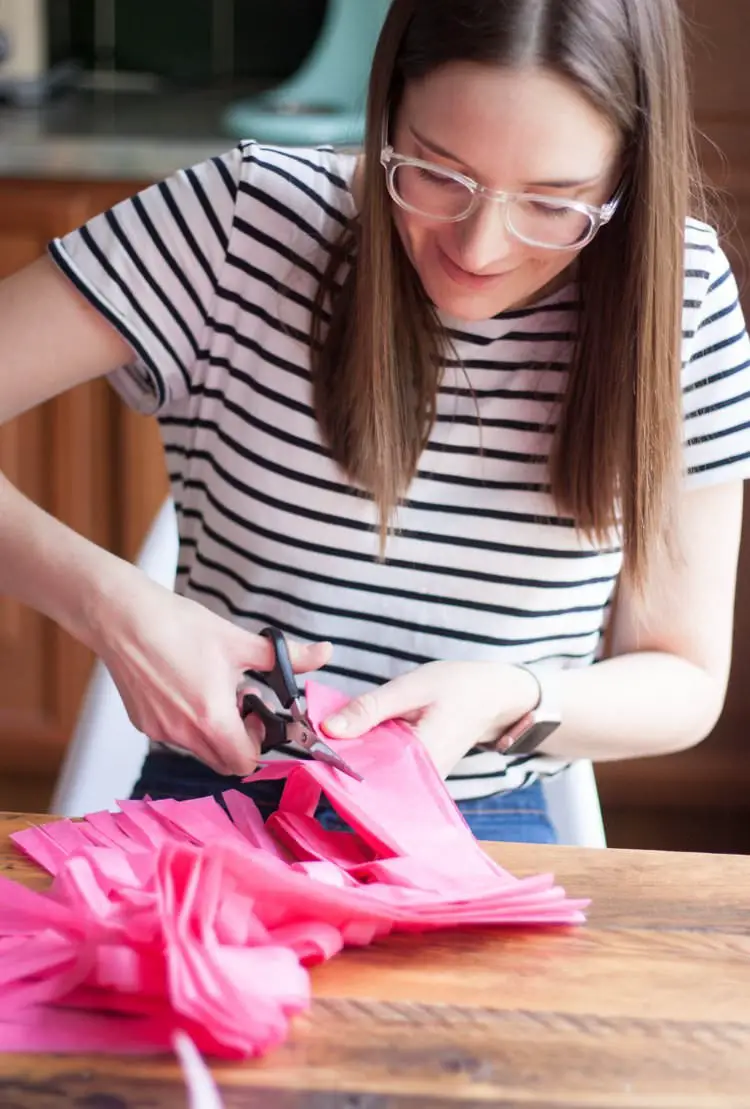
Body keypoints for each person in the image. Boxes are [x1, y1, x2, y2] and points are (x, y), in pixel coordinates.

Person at [1, 0, 748, 845]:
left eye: (552, 202)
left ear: (625, 176)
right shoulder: (245, 221)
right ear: (385, 113)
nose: (480, 249)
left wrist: (516, 695)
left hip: (488, 815)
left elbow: (683, 677)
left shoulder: (679, 292)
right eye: (436, 173)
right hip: (215, 797)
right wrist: (111, 606)